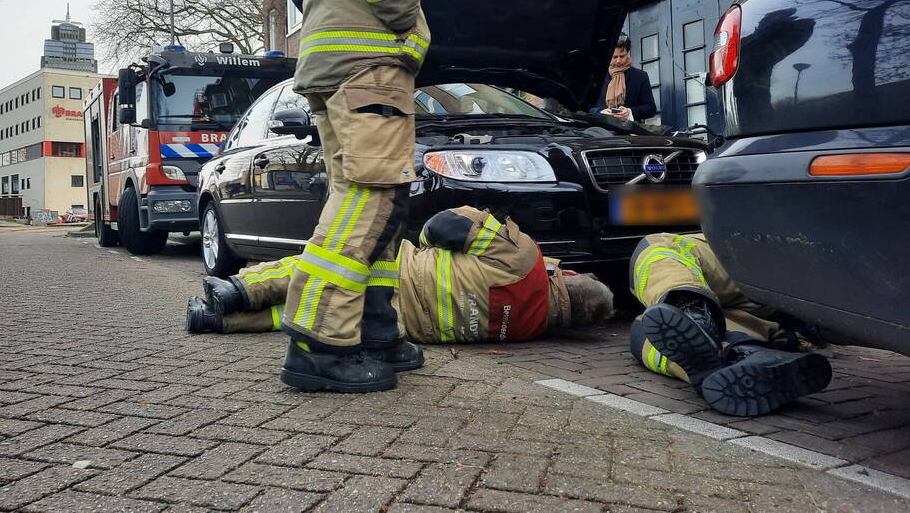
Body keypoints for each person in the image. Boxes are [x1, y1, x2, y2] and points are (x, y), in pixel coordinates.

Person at [278, 0, 431, 393]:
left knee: (377, 196)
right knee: (371, 194)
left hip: (334, 46)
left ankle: (373, 329)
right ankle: (319, 343)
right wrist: (408, 16)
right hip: (368, 51)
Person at [186, 207, 615, 358]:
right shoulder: (531, 331)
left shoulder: (526, 261)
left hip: (398, 272)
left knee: (323, 266)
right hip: (395, 322)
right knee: (303, 314)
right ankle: (217, 322)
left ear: (570, 276)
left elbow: (445, 225)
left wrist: (426, 243)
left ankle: (236, 290)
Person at [628, 233, 832, 417]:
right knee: (645, 324)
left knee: (658, 248)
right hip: (802, 308)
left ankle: (695, 316)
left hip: (787, 271)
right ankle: (743, 353)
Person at [590, 36, 657, 123]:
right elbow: (586, 108)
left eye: (622, 56)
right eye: (614, 57)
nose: (618, 61)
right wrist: (600, 113)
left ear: (627, 53)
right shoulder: (597, 77)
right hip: (601, 131)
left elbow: (651, 108)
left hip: (629, 132)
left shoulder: (640, 76)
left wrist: (629, 112)